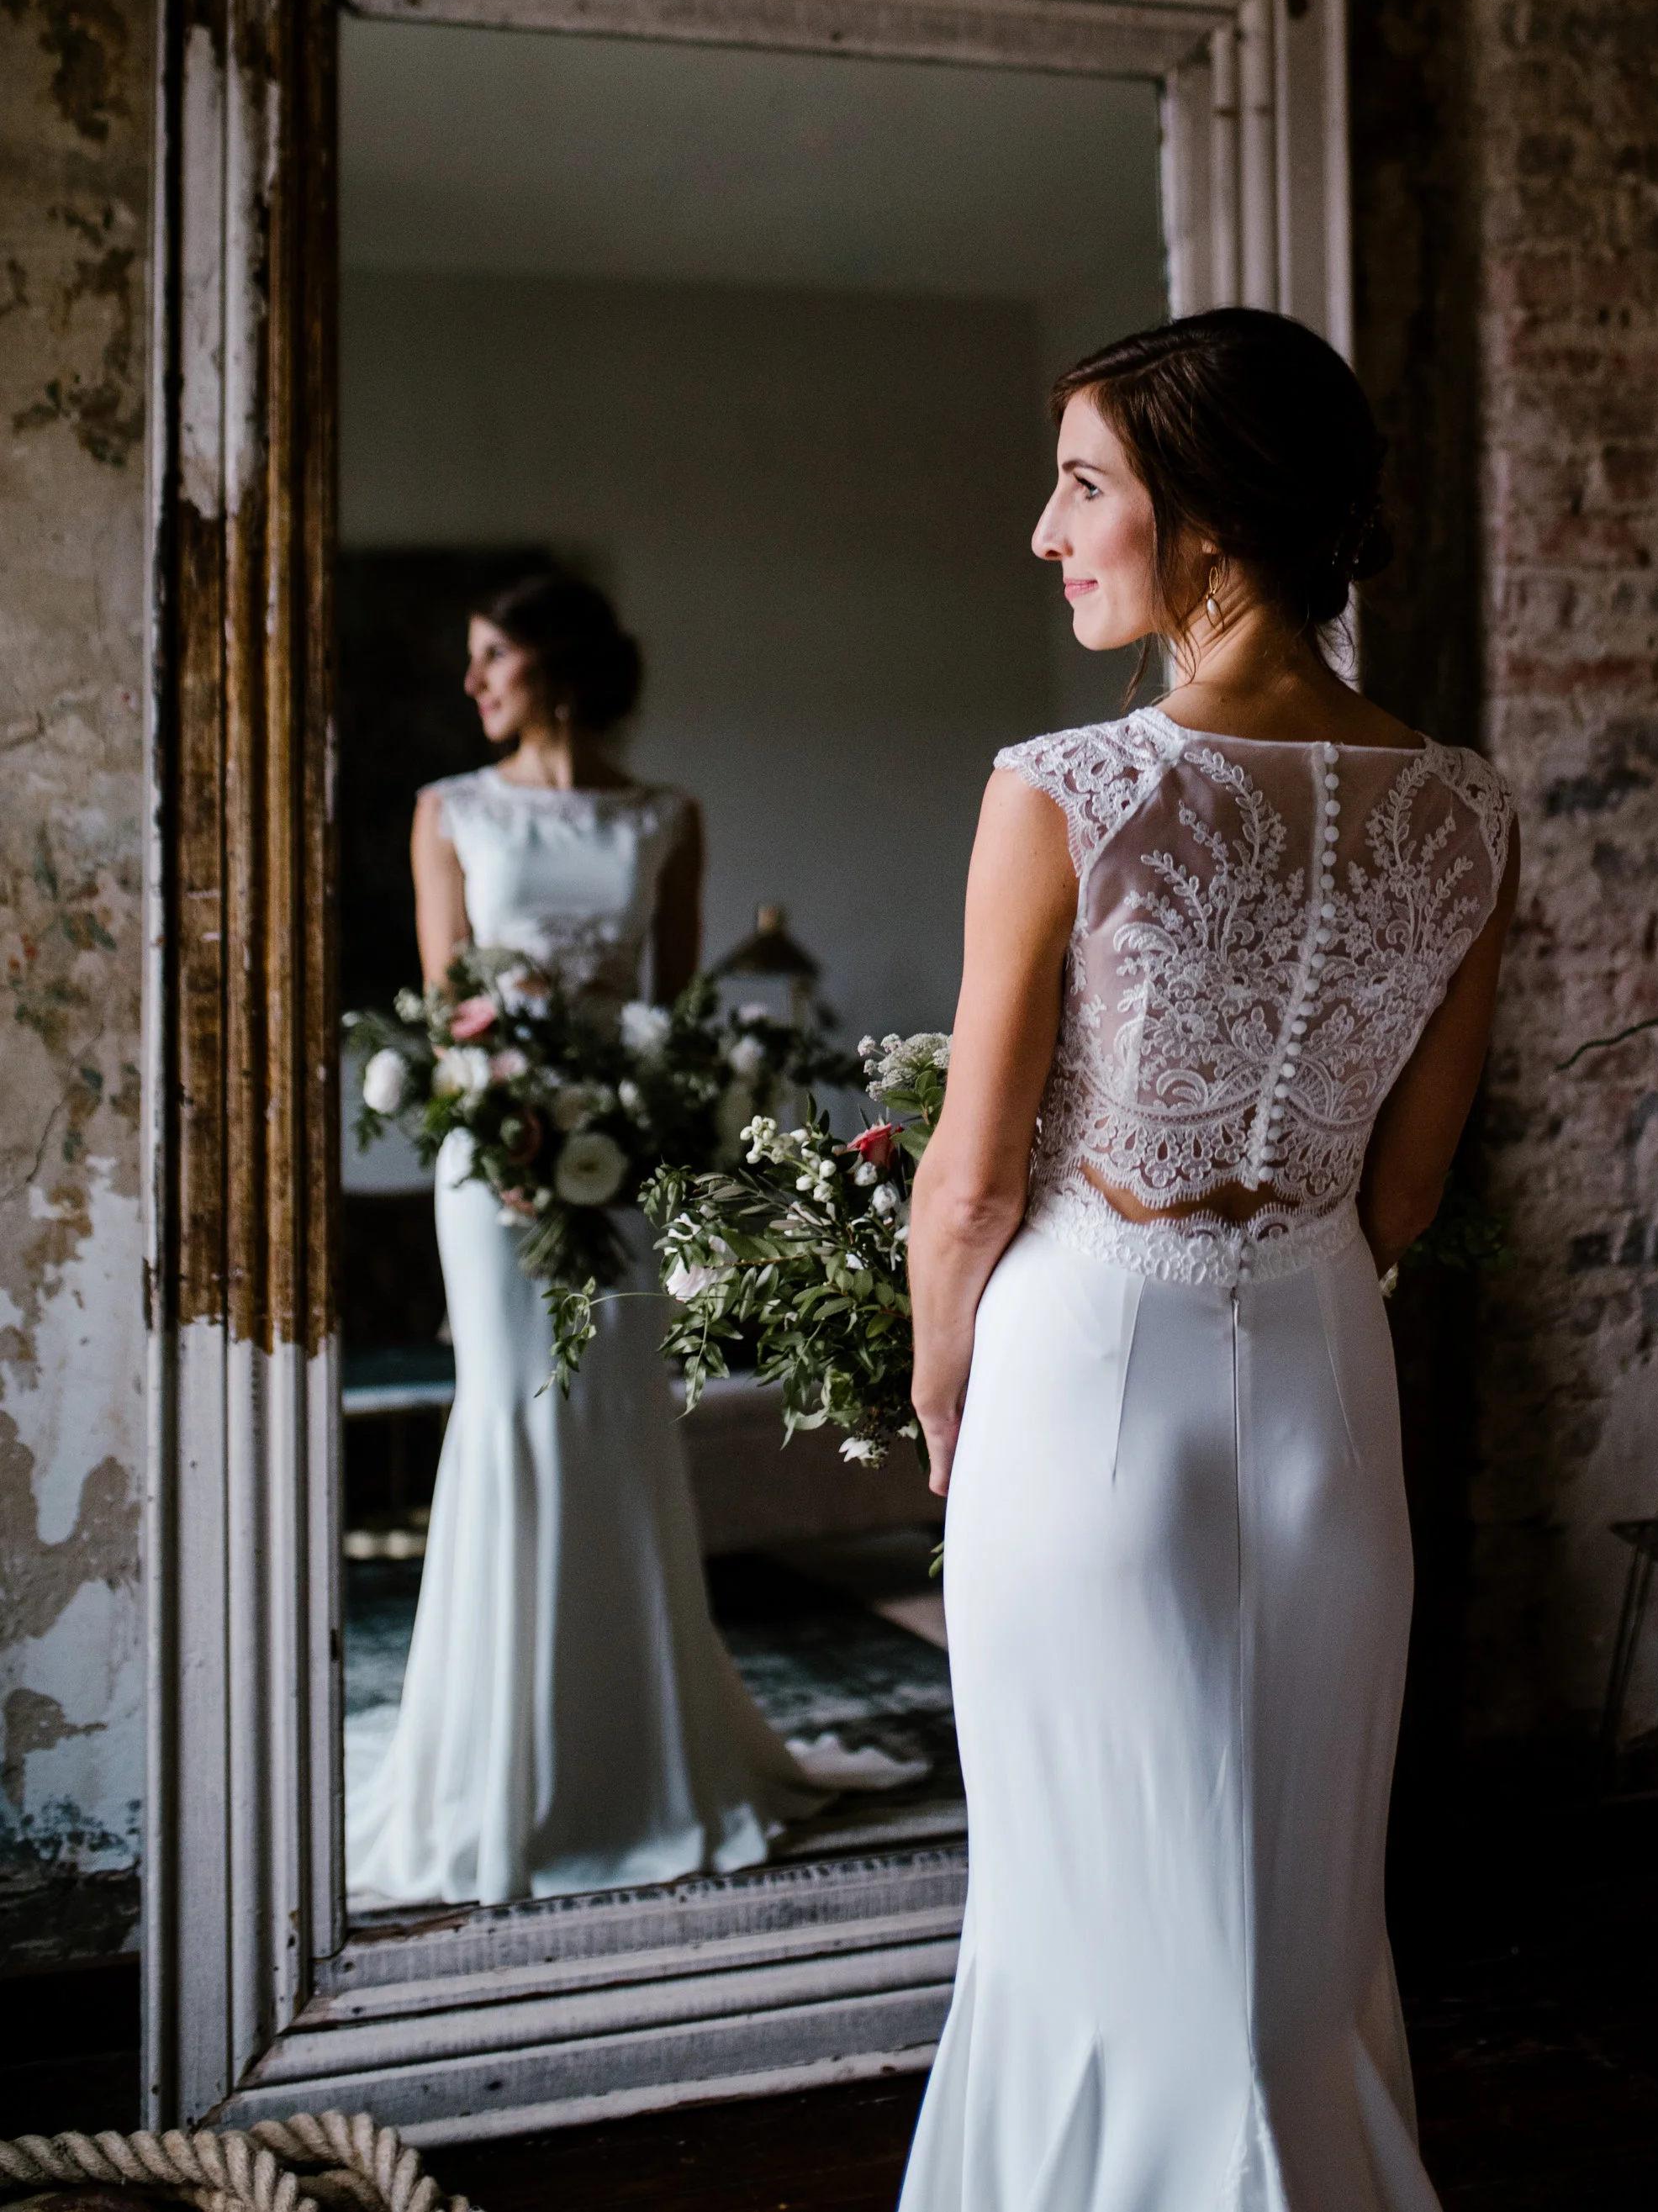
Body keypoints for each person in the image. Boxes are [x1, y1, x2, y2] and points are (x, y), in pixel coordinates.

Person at [898, 311, 1518, 2212]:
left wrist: (940, 1389)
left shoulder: (1063, 788)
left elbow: (967, 1189)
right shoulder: (1466, 808)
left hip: (1086, 1376)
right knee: (1295, 1932)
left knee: (1090, 1921)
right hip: (1329, 1373)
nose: (1045, 530)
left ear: (1214, 519)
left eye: (1083, 486)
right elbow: (1409, 1189)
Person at [345, 568, 900, 1908]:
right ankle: (502, 1764)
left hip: (628, 1155)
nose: (473, 682)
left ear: (555, 666)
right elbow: (447, 1008)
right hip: (496, 1167)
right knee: (514, 1415)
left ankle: (638, 1748)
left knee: (618, 1422)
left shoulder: (665, 818)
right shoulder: (448, 812)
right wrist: (507, 1126)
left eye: (493, 657)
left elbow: (674, 1020)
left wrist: (660, 1120)